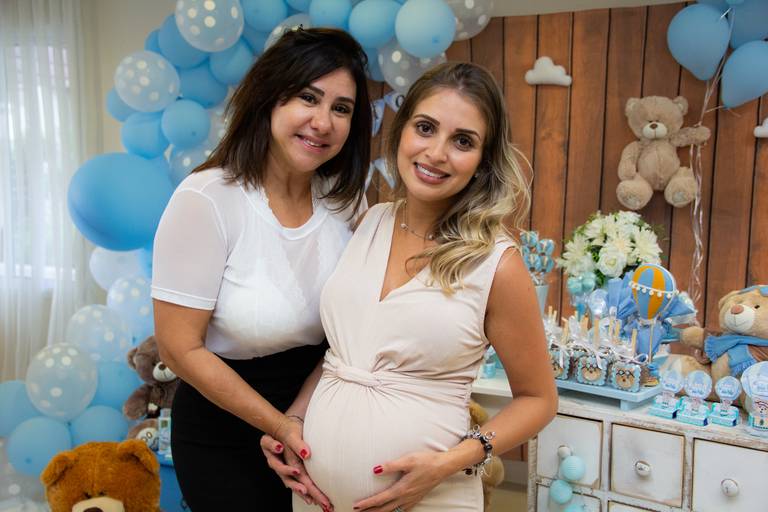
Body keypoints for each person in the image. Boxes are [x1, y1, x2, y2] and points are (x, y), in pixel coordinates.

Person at [262, 62, 558, 511]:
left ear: (483, 161)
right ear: (401, 131)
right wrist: (294, 421)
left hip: (430, 499)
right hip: (314, 500)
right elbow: (342, 355)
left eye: (463, 141)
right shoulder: (369, 221)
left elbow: (539, 400)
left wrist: (450, 462)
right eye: (425, 128)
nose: (436, 153)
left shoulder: (497, 264)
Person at [150, 28, 371, 511]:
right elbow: (178, 347)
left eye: (341, 108)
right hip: (224, 431)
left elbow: (352, 328)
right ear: (270, 97)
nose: (322, 122)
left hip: (318, 417)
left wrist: (299, 420)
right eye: (307, 97)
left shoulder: (346, 202)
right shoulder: (207, 199)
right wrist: (279, 426)